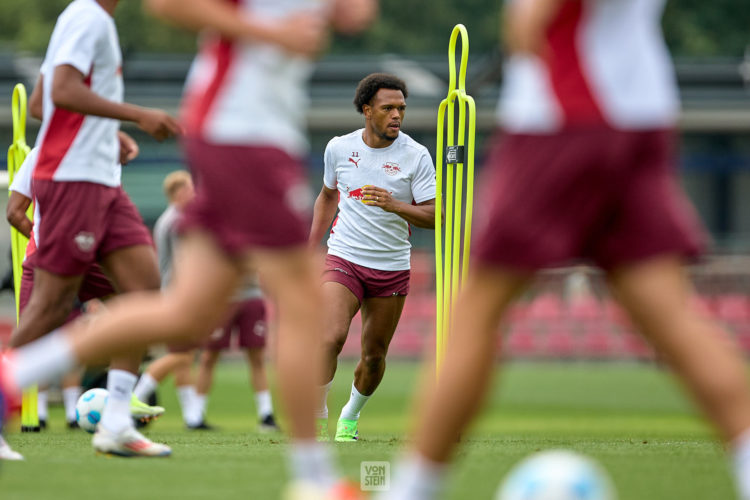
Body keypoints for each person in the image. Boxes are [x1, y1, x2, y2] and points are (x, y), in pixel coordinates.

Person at [0, 0, 377, 495]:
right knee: (303, 302)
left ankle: (20, 378)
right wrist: (270, 35)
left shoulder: (98, 23)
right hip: (241, 133)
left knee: (183, 313)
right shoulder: (86, 16)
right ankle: (315, 479)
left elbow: (354, 15)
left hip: (245, 133)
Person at [382, 1, 750, 499]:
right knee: (671, 316)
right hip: (642, 113)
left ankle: (408, 491)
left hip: (565, 113)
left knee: (476, 309)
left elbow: (531, 22)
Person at [7, 0, 179, 457]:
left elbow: (44, 100)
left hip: (100, 179)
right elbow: (61, 92)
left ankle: (117, 422)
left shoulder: (86, 17)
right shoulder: (89, 16)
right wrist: (135, 115)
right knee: (48, 310)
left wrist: (105, 130)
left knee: (142, 293)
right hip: (72, 179)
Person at [308, 73, 436, 442]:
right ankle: (317, 414)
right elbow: (327, 196)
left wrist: (395, 205)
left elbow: (437, 216)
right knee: (328, 337)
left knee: (374, 356)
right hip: (343, 258)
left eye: (402, 109)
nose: (397, 115)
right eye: (388, 108)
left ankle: (350, 416)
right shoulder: (338, 148)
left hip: (392, 267)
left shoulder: (416, 155)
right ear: (367, 110)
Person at [194, 287, 281, 433]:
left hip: (251, 297)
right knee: (208, 357)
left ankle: (266, 414)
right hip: (221, 298)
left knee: (257, 358)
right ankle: (195, 416)